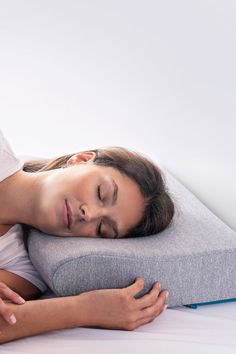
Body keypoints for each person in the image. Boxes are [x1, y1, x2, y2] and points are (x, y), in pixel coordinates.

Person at [0, 129, 174, 343]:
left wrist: (85, 309)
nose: (88, 214)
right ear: (80, 160)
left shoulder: (23, 271)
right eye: (101, 193)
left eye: (103, 229)